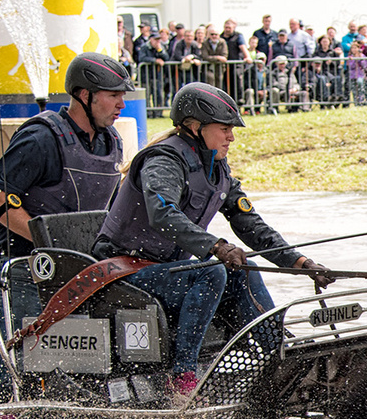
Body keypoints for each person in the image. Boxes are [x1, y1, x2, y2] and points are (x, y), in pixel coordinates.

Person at [92, 82, 333, 402]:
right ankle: (183, 375)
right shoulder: (164, 159)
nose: (231, 137)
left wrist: (301, 264)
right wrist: (217, 247)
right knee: (212, 271)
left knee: (243, 267)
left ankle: (280, 357)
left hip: (168, 271)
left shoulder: (217, 168)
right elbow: (162, 214)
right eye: (225, 129)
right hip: (123, 271)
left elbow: (248, 223)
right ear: (195, 126)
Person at [0, 53, 133, 402]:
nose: (121, 103)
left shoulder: (112, 142)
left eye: (123, 95)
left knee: (83, 367)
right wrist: (51, 244)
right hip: (28, 269)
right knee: (11, 368)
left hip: (82, 273)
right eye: (113, 94)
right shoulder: (40, 139)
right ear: (84, 96)